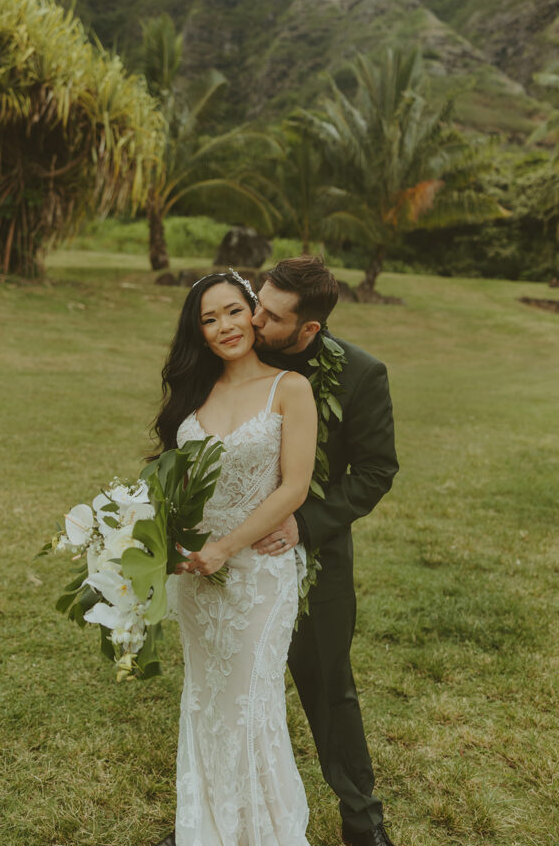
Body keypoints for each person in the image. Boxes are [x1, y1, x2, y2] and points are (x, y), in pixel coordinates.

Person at [151, 270, 317, 846]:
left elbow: (293, 488)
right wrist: (167, 540)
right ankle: (208, 829)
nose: (224, 326)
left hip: (258, 578)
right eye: (208, 319)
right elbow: (175, 481)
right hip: (197, 577)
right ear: (198, 332)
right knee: (204, 702)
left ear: (254, 312)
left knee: (250, 707)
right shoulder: (196, 396)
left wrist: (227, 547)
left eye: (232, 311)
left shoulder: (289, 388)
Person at [251, 257, 399, 846]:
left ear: (309, 329)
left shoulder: (361, 374)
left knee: (329, 687)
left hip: (316, 557)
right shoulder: (242, 352)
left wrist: (303, 523)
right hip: (232, 554)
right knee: (236, 688)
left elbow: (375, 471)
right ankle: (215, 816)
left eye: (272, 315)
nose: (256, 320)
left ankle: (363, 823)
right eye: (258, 303)